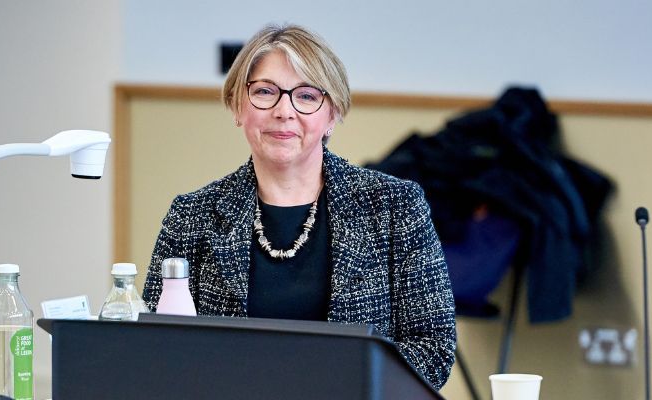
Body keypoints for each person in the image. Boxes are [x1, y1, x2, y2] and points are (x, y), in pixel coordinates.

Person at [143, 24, 456, 389]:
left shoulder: (394, 206)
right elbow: (153, 349)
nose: (284, 110)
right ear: (237, 106)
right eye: (264, 92)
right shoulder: (192, 216)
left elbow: (433, 349)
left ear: (332, 114)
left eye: (306, 96)